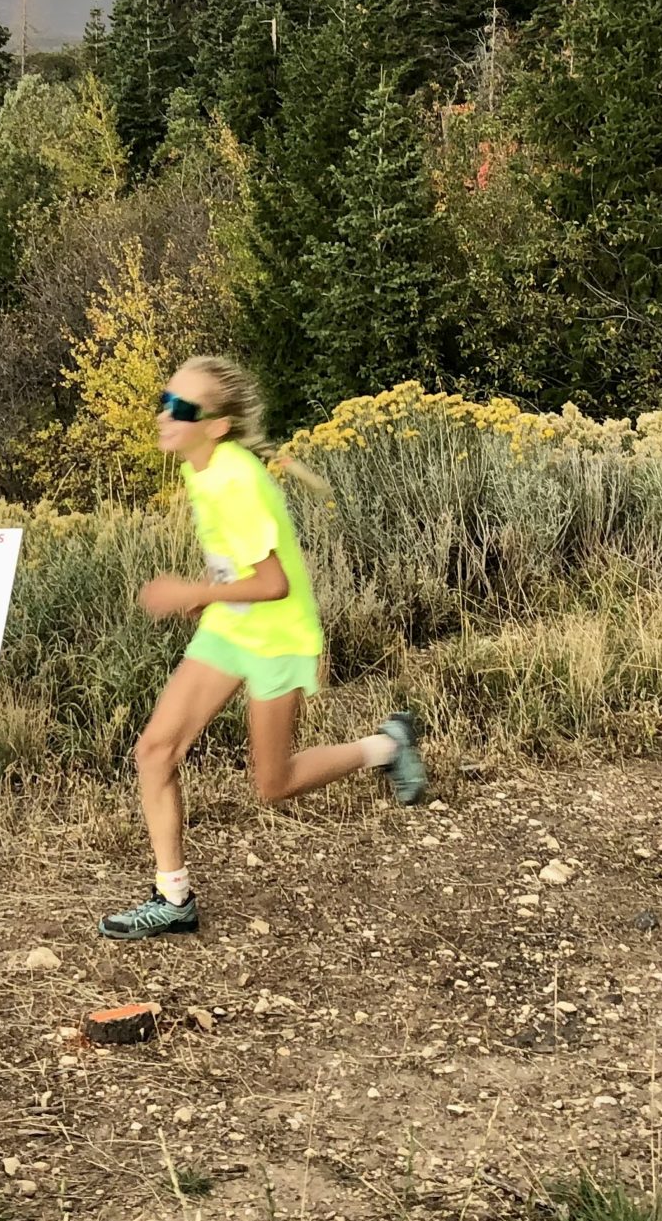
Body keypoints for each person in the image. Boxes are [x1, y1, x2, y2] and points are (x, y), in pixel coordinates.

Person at [99, 353, 427, 940]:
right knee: (155, 750)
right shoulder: (196, 465)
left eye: (180, 406)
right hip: (232, 624)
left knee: (272, 785)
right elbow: (241, 570)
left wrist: (190, 591)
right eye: (164, 399)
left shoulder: (233, 479)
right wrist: (211, 596)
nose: (163, 414)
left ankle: (388, 744)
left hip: (275, 635)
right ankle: (173, 899)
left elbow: (274, 584)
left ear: (215, 425)